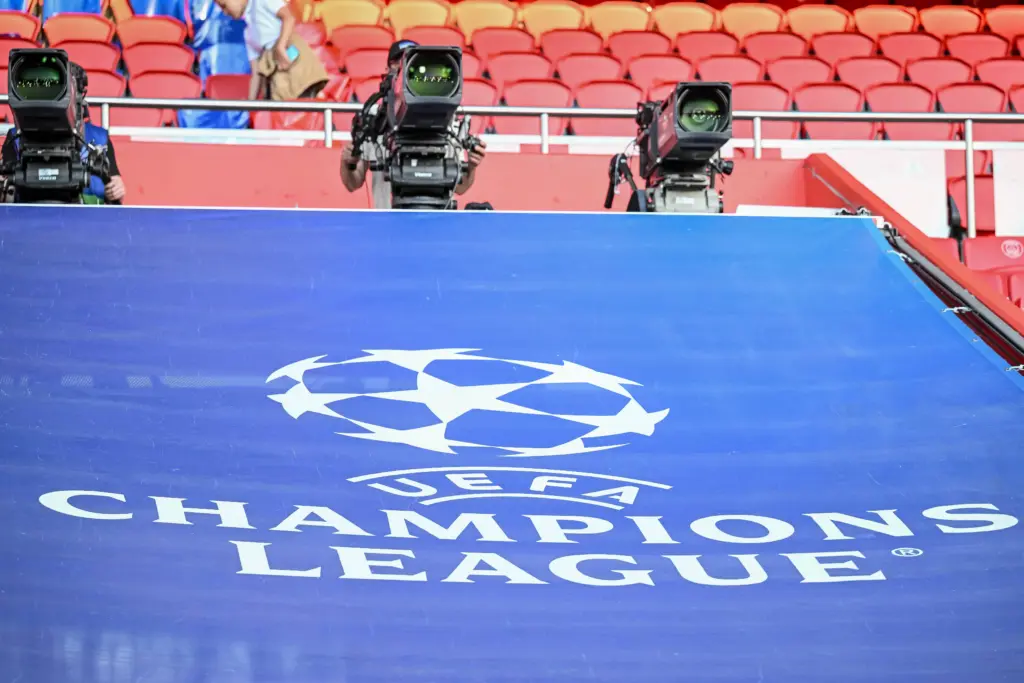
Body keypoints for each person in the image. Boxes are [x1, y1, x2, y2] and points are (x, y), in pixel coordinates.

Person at [340, 40, 487, 210]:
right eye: (398, 63)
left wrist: (471, 167)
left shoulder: (445, 117)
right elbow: (353, 183)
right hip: (387, 219)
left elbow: (460, 187)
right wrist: (348, 163)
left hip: (437, 217)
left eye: (408, 62)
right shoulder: (374, 118)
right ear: (387, 71)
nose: (402, 69)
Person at [0, 63, 125, 205]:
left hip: (87, 216)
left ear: (79, 94)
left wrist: (116, 190)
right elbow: (4, 197)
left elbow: (114, 189)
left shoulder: (100, 138)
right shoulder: (16, 137)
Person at [216, 0, 326, 101]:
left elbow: (288, 17)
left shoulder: (262, 2)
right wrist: (250, 103)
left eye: (224, 6)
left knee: (304, 98)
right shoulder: (248, 33)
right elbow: (256, 72)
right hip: (276, 76)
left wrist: (281, 45)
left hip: (293, 62)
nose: (225, 12)